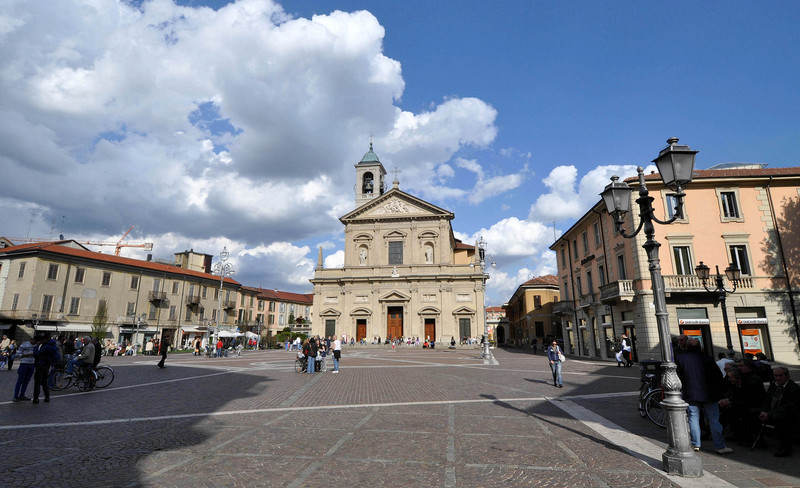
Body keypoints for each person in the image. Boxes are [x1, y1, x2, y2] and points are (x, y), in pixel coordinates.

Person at [675, 338, 732, 454]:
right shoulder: (708, 358)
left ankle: (696, 444)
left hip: (691, 393)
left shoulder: (681, 358)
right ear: (700, 347)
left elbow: (678, 376)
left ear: (687, 346)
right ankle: (720, 446)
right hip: (709, 393)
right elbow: (718, 375)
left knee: (693, 418)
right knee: (714, 419)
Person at [750, 366, 800, 457]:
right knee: (752, 413)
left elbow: (788, 407)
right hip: (771, 412)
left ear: (787, 376)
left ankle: (786, 447)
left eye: (780, 376)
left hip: (787, 414)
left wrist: (769, 414)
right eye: (775, 376)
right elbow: (767, 400)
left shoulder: (793, 388)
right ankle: (760, 441)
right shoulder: (774, 385)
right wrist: (764, 411)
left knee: (781, 418)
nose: (777, 378)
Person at [32, 332, 59, 404]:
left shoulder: (46, 346)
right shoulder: (53, 345)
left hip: (41, 365)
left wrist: (36, 347)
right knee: (44, 382)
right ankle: (47, 397)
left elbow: (36, 354)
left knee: (37, 382)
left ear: (45, 339)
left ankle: (36, 398)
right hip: (47, 366)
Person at [12, 337, 37, 402]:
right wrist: (27, 354)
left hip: (32, 364)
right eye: (34, 341)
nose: (35, 342)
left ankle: (22, 395)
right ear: (31, 339)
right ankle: (15, 396)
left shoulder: (36, 346)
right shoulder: (24, 345)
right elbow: (17, 355)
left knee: (26, 381)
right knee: (20, 381)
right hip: (24, 364)